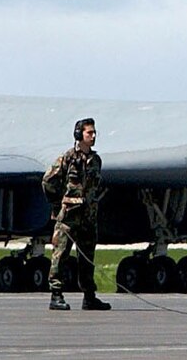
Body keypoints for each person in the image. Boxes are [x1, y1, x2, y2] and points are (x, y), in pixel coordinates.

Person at [42, 118, 110, 311]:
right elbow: (48, 181)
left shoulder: (96, 161)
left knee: (87, 257)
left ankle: (89, 296)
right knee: (60, 255)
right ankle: (56, 295)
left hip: (88, 218)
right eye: (90, 133)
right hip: (68, 219)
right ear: (79, 135)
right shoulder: (68, 158)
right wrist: (57, 205)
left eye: (95, 133)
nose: (93, 136)